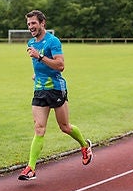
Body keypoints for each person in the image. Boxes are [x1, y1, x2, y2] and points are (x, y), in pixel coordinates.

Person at [18, 10, 93, 181]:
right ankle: (31, 168)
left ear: (42, 23)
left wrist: (40, 56)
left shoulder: (53, 41)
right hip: (39, 89)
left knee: (65, 127)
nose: (31, 27)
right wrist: (37, 75)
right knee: (39, 128)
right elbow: (39, 66)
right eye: (29, 24)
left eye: (33, 23)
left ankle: (84, 146)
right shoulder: (30, 42)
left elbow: (60, 65)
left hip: (56, 89)